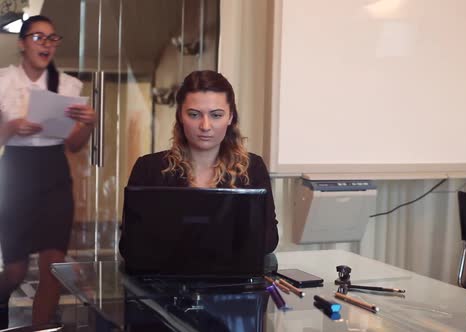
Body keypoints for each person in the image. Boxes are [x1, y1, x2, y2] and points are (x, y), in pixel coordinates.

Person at [0, 15, 96, 327]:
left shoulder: (67, 84)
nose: (46, 44)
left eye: (52, 38)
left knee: (52, 268)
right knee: (14, 269)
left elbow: (74, 145)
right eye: (39, 37)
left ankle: (42, 328)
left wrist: (89, 124)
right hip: (15, 172)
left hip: (54, 173)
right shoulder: (3, 80)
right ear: (22, 42)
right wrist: (13, 126)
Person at [120, 70, 279, 255]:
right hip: (164, 281)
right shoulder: (148, 168)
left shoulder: (253, 168)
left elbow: (268, 239)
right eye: (194, 115)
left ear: (231, 117)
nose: (205, 126)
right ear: (180, 115)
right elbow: (130, 244)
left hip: (233, 281)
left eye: (216, 115)